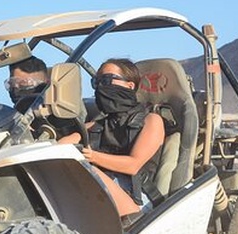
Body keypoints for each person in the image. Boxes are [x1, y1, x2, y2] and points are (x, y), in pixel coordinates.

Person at [60, 58, 165, 220]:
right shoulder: (97, 124)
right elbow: (60, 146)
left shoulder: (151, 121)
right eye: (97, 81)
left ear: (130, 86)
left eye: (107, 80)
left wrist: (91, 156)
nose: (102, 86)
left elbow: (133, 165)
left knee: (83, 169)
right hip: (104, 196)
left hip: (137, 203)